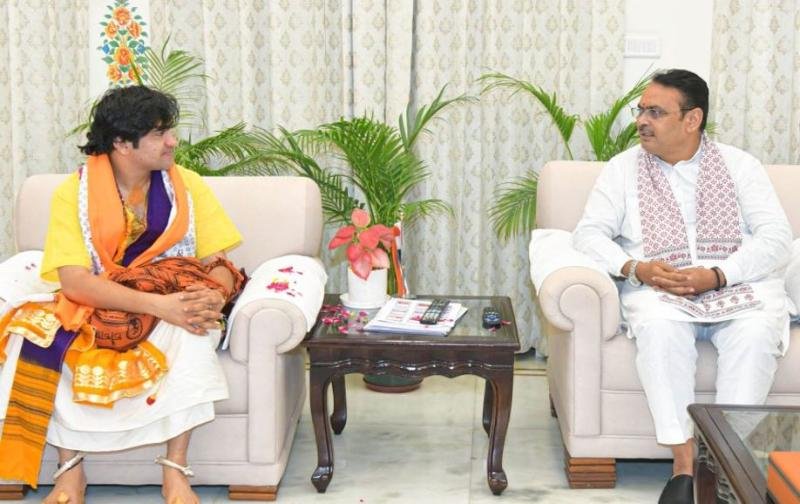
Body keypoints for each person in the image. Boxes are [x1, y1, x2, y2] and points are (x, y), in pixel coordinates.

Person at [0, 86, 244, 504]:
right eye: (159, 133)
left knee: (193, 329)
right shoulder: (73, 194)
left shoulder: (187, 186)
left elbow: (219, 260)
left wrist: (214, 296)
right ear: (121, 143)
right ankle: (70, 472)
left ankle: (175, 471)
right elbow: (75, 282)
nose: (173, 141)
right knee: (37, 338)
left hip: (172, 300)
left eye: (170, 131)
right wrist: (159, 306)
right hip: (100, 303)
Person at [572, 69, 791, 504]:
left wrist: (719, 274)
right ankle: (684, 466)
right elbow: (588, 234)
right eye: (641, 111)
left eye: (655, 112)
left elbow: (776, 238)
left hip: (736, 287)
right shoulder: (622, 170)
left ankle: (729, 470)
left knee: (754, 335)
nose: (641, 121)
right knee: (659, 331)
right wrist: (635, 267)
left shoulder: (740, 166)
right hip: (660, 291)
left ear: (692, 119)